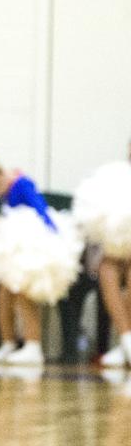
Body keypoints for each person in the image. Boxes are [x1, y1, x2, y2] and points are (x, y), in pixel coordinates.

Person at [0, 150, 83, 365]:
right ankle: (8, 342)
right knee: (3, 293)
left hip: (36, 249)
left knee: (24, 292)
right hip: (18, 252)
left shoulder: (21, 183)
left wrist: (53, 236)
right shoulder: (4, 192)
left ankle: (33, 345)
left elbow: (40, 208)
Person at [72, 142, 131, 367]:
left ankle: (125, 342)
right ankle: (126, 341)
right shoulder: (114, 175)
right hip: (115, 246)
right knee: (107, 265)